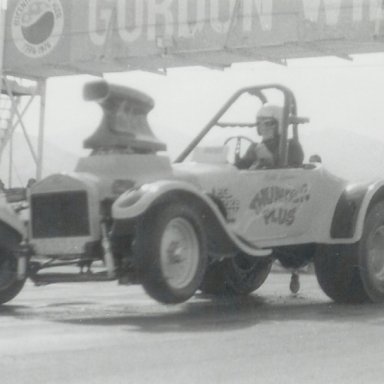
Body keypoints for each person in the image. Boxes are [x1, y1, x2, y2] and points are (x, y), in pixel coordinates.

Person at [236, 103, 304, 169]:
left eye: (268, 123)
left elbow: (292, 175)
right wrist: (228, 167)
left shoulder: (291, 146)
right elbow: (240, 166)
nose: (262, 128)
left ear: (280, 125)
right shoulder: (255, 147)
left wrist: (270, 161)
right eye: (259, 123)